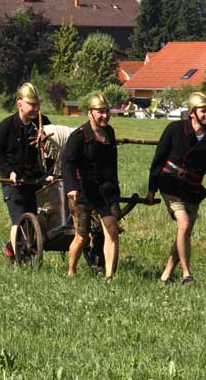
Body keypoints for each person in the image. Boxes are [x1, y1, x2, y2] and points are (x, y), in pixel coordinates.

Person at [146, 91, 206, 284]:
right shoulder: (174, 129)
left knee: (185, 232)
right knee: (184, 224)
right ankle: (186, 274)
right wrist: (151, 189)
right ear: (192, 112)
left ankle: (165, 275)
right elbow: (158, 159)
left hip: (193, 188)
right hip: (170, 184)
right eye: (203, 111)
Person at [62, 93, 121, 280]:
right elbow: (68, 163)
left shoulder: (109, 133)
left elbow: (112, 164)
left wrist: (114, 187)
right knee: (83, 236)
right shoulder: (78, 136)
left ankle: (109, 276)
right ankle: (71, 270)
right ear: (90, 113)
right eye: (100, 112)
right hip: (84, 191)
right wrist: (72, 187)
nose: (105, 115)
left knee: (112, 231)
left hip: (105, 190)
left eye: (107, 111)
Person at [0, 82, 51, 258]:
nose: (35, 108)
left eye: (37, 104)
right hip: (13, 182)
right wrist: (10, 171)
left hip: (37, 181)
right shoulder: (6, 126)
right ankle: (18, 258)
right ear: (19, 104)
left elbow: (52, 150)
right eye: (31, 104)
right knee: (19, 218)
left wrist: (49, 173)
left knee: (34, 221)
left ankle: (12, 248)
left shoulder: (43, 123)